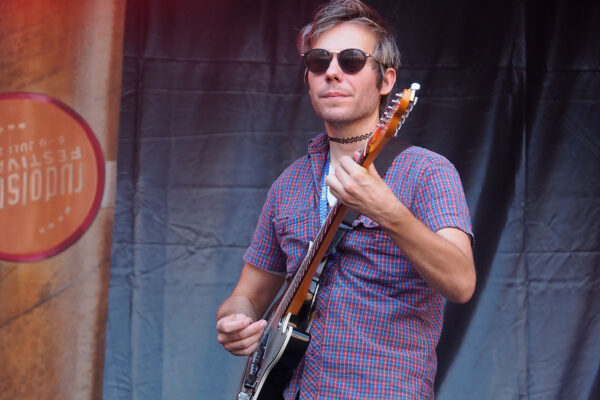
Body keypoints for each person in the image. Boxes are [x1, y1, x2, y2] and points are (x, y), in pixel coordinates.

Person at [216, 1, 476, 399]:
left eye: (352, 60)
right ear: (308, 77)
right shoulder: (288, 185)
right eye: (319, 61)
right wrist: (237, 318)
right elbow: (248, 294)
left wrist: (389, 212)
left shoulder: (427, 172)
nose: (332, 72)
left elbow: (461, 282)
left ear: (386, 80)